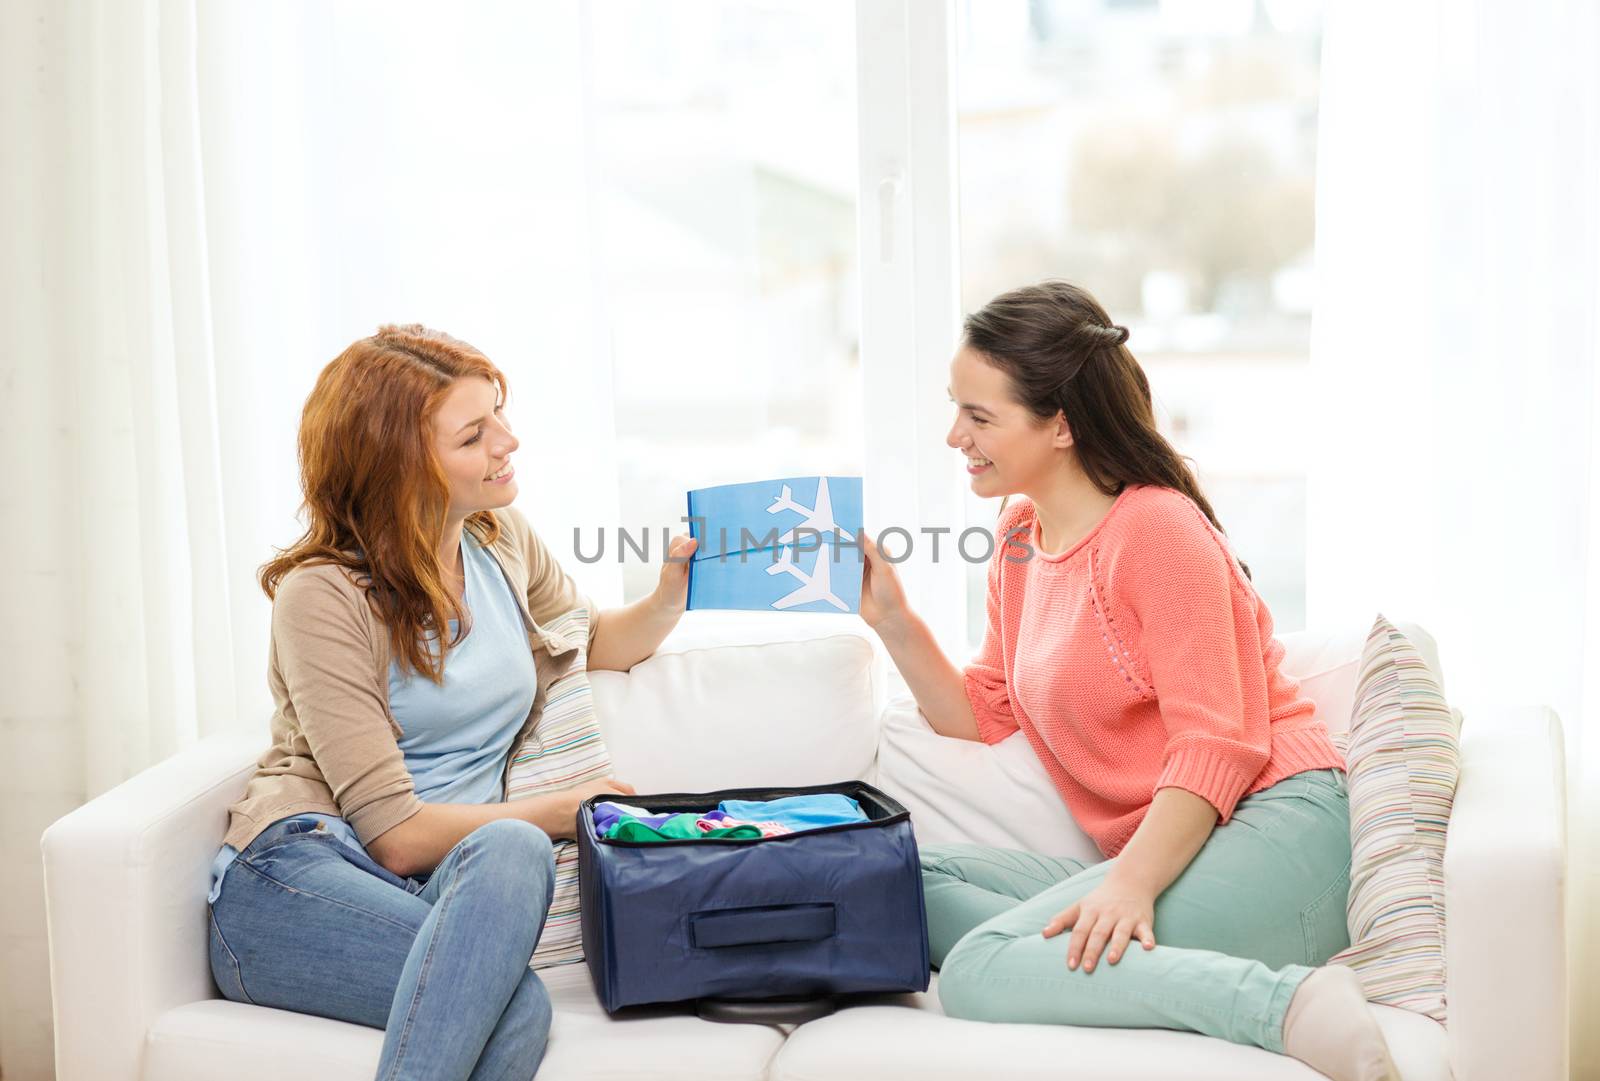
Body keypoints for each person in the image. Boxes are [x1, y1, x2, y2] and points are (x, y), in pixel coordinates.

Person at [857, 282, 1397, 1081]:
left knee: (977, 970)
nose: (954, 436)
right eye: (955, 409)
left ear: (1062, 424)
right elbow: (989, 712)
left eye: (979, 416)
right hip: (1170, 847)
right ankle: (1096, 955)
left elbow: (1220, 743)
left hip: (1278, 829)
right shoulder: (1018, 536)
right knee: (892, 880)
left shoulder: (1156, 528)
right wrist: (893, 620)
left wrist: (1131, 887)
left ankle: (1289, 1007)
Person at [206, 325, 696, 1081]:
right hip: (296, 877)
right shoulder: (322, 596)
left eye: (497, 414)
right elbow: (395, 834)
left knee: (513, 859)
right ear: (401, 467)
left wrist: (668, 598)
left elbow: (590, 637)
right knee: (522, 987)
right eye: (475, 434)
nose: (509, 441)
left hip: (430, 888)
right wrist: (569, 807)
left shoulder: (498, 540)